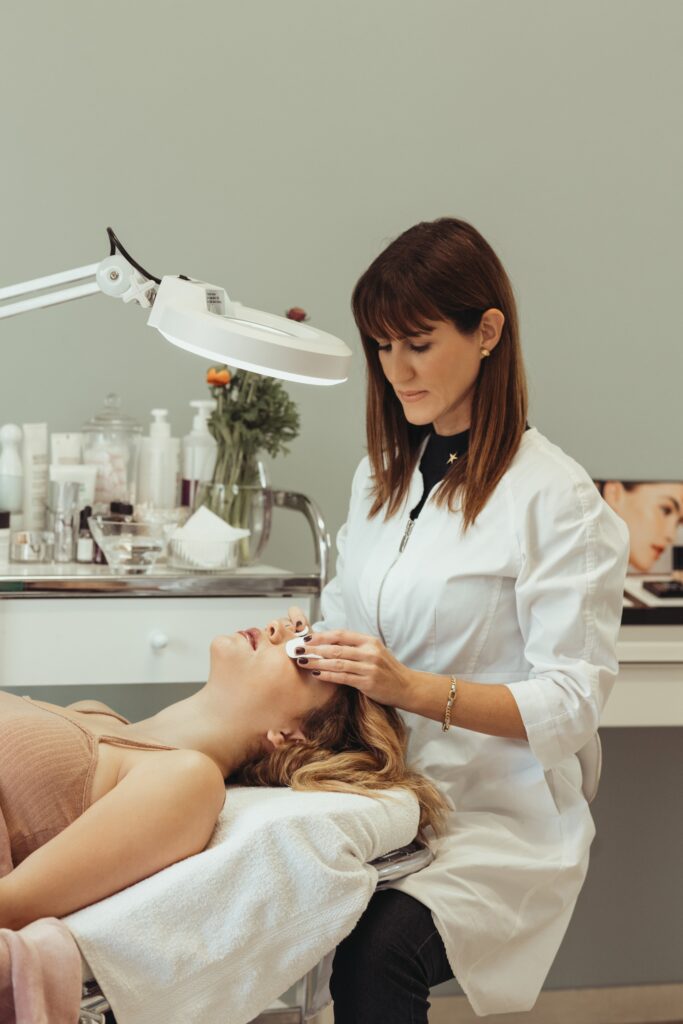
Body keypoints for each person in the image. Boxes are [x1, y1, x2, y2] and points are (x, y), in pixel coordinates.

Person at [282, 217, 630, 1021]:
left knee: (375, 960)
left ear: (487, 333)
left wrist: (409, 688)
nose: (395, 369)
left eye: (417, 342)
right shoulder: (380, 477)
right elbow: (347, 622)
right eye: (379, 345)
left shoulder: (556, 500)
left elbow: (571, 702)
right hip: (375, 792)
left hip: (491, 817)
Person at [0, 618, 447, 931]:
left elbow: (12, 908)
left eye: (301, 654)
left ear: (292, 736)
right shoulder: (99, 716)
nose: (276, 627)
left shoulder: (187, 780)